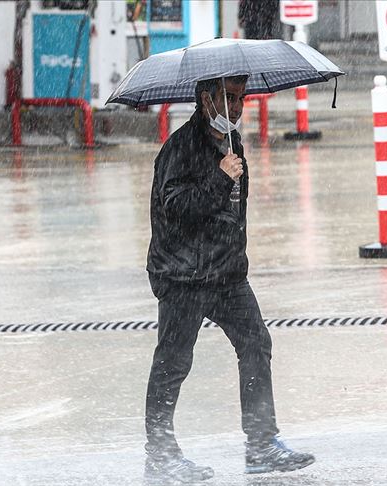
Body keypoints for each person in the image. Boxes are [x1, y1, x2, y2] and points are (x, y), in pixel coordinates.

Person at [143, 75, 315, 482]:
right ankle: (160, 453)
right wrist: (220, 177)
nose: (237, 107)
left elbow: (232, 213)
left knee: (255, 342)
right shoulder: (181, 147)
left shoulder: (231, 142)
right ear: (206, 99)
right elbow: (177, 207)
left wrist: (237, 260)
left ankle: (260, 445)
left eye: (242, 98)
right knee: (173, 362)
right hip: (185, 274)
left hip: (225, 273)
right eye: (229, 98)